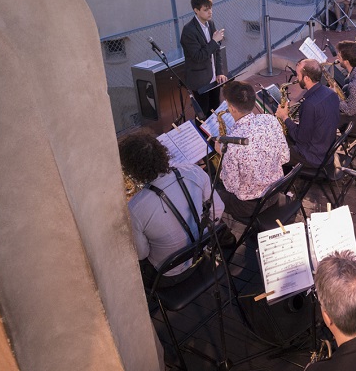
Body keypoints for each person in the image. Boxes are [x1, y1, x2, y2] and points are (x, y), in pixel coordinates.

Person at [120, 130, 227, 288]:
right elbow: (218, 210)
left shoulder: (134, 208)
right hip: (202, 252)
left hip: (169, 275)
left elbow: (142, 254)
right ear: (162, 153)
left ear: (132, 170)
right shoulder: (193, 171)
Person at [214, 80, 289, 219]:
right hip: (276, 191)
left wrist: (222, 154)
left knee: (210, 196)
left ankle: (225, 236)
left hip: (250, 205)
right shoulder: (271, 120)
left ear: (232, 108)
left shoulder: (232, 143)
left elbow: (231, 187)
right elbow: (285, 157)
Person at [277, 59, 339, 170]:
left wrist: (285, 117)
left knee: (274, 149)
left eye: (298, 75)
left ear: (306, 78)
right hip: (327, 150)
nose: (296, 78)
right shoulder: (332, 93)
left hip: (313, 157)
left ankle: (283, 181)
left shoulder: (309, 104)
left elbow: (300, 138)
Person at [181, 0, 228, 116]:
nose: (210, 12)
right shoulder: (188, 31)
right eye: (206, 10)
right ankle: (203, 135)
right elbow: (198, 57)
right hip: (200, 81)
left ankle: (216, 135)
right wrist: (214, 41)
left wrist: (219, 72)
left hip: (214, 77)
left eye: (210, 8)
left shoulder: (210, 23)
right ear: (196, 11)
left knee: (216, 109)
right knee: (203, 115)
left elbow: (216, 50)